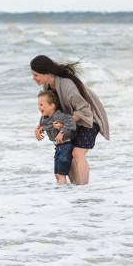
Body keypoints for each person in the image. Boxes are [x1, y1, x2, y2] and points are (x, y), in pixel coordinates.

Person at [30, 54, 110, 185]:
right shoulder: (47, 86)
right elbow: (51, 110)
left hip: (89, 119)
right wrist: (41, 126)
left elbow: (84, 110)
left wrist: (64, 124)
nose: (33, 78)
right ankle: (74, 191)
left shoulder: (67, 85)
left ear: (47, 72)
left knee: (77, 153)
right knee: (67, 152)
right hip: (71, 121)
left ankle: (83, 188)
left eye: (36, 75)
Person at [33, 89, 75, 185]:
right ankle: (66, 191)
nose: (39, 108)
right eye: (38, 105)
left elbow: (71, 122)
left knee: (61, 175)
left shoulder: (59, 115)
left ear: (52, 106)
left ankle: (64, 194)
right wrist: (38, 131)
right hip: (58, 147)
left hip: (66, 146)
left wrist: (61, 132)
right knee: (57, 174)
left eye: (41, 105)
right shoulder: (44, 117)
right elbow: (41, 126)